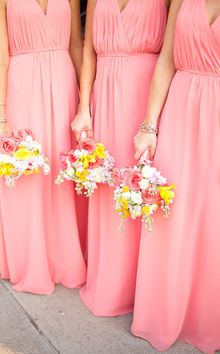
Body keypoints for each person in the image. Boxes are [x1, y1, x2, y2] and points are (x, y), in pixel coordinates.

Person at [132, 0, 220, 352]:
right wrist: (149, 125)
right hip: (181, 109)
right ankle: (163, 312)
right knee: (171, 211)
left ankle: (207, 317)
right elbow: (166, 59)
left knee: (212, 217)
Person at [71, 0, 169, 316]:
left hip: (146, 96)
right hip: (105, 96)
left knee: (142, 189)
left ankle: (144, 289)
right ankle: (110, 283)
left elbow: (173, 49)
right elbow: (88, 52)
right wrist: (84, 108)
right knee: (108, 188)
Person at [0, 0, 86, 294]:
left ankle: (64, 256)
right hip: (23, 88)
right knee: (29, 176)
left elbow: (77, 47)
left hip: (64, 84)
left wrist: (85, 103)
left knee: (62, 173)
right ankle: (28, 260)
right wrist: (1, 117)